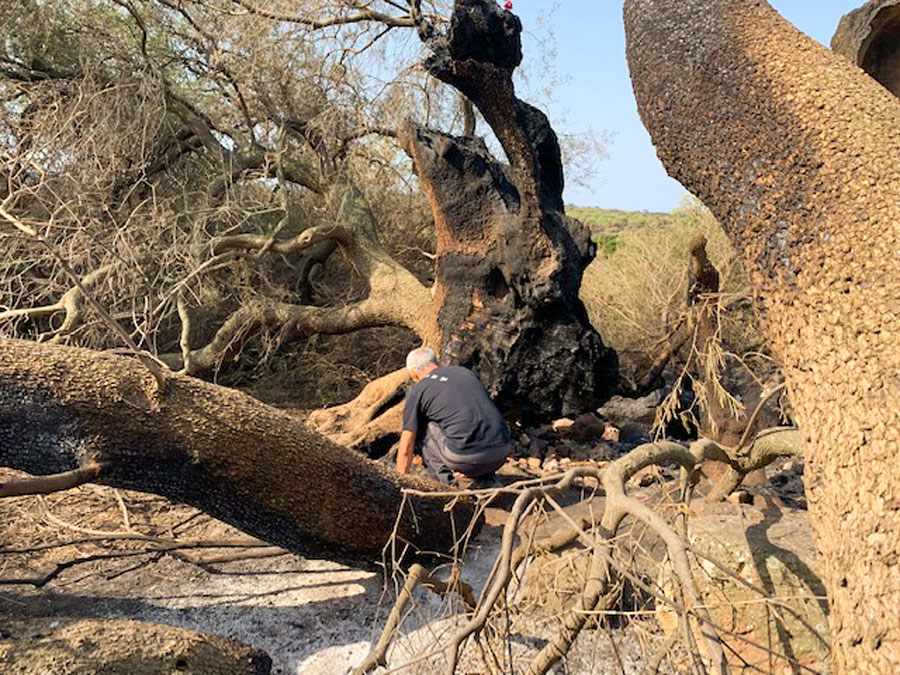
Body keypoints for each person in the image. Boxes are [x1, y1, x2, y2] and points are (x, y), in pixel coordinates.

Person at [397, 347, 510, 487]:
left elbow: (406, 447)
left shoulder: (419, 390)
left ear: (414, 374)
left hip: (468, 458)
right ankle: (485, 480)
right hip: (502, 451)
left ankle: (446, 488)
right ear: (436, 362)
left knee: (421, 429)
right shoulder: (466, 373)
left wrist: (400, 483)